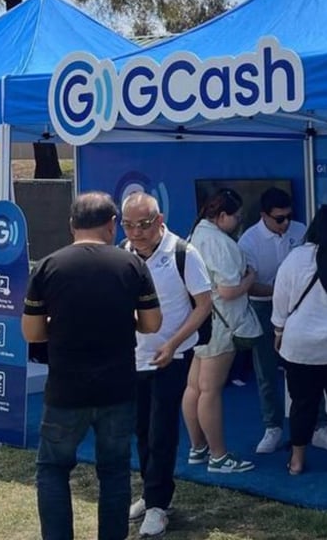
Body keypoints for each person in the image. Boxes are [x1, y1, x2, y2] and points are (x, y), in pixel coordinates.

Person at [22, 192, 162, 540]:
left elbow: (32, 332)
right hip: (117, 387)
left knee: (53, 468)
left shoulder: (48, 266)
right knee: (114, 471)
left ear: (72, 225)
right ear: (112, 225)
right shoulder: (131, 265)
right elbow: (152, 323)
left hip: (66, 389)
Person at [120, 192, 212, 537]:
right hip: (135, 355)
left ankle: (158, 503)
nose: (136, 232)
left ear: (159, 221)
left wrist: (173, 344)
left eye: (143, 225)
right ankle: (151, 491)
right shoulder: (124, 254)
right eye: (129, 225)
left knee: (162, 429)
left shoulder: (183, 253)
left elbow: (203, 303)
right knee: (141, 428)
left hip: (173, 355)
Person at [272, 204, 327, 477]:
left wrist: (278, 333)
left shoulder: (296, 258)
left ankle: (296, 461)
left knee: (302, 405)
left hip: (299, 347)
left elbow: (281, 302)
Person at [186, 188, 261, 473]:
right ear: (221, 216)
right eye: (237, 216)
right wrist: (250, 278)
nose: (240, 221)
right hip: (221, 324)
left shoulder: (195, 236)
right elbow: (229, 291)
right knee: (210, 391)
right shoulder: (219, 242)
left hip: (200, 320)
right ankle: (218, 456)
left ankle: (198, 448)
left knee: (195, 388)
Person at [237, 186, 307, 455]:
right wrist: (283, 292)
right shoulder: (248, 242)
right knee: (266, 370)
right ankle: (273, 427)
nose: (286, 223)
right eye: (279, 218)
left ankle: (317, 425)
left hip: (298, 310)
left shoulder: (301, 231)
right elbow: (250, 286)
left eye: (289, 216)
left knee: (306, 368)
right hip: (264, 309)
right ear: (264, 215)